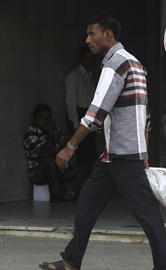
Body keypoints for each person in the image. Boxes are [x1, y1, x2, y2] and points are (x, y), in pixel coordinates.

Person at [39, 13, 166, 270]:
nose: (87, 39)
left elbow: (96, 113)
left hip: (123, 155)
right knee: (88, 205)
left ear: (108, 36)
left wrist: (70, 146)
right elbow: (145, 116)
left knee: (146, 213)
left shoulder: (114, 64)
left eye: (92, 34)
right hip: (116, 154)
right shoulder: (136, 64)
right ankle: (71, 262)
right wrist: (145, 154)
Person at [64, 46, 103, 201]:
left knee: (89, 157)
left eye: (92, 59)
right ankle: (74, 188)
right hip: (80, 118)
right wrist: (75, 125)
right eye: (87, 58)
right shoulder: (73, 76)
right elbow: (70, 102)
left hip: (90, 118)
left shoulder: (91, 76)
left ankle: (80, 189)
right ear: (81, 58)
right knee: (86, 157)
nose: (90, 62)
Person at [24, 103, 65, 202]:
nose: (44, 121)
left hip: (57, 167)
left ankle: (70, 192)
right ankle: (56, 193)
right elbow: (43, 153)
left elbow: (64, 147)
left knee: (85, 167)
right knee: (48, 160)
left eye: (47, 118)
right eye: (41, 117)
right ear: (35, 118)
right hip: (38, 173)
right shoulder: (31, 131)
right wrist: (50, 135)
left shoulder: (55, 129)